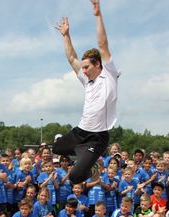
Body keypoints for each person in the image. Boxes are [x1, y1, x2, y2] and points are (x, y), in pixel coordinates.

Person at [53, 0, 119, 184]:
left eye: (87, 67)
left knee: (75, 177)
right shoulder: (86, 80)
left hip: (97, 138)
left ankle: (91, 167)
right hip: (80, 133)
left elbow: (102, 44)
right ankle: (81, 154)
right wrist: (66, 36)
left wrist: (98, 15)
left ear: (97, 64)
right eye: (82, 68)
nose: (83, 70)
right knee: (56, 148)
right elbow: (72, 58)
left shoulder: (109, 74)